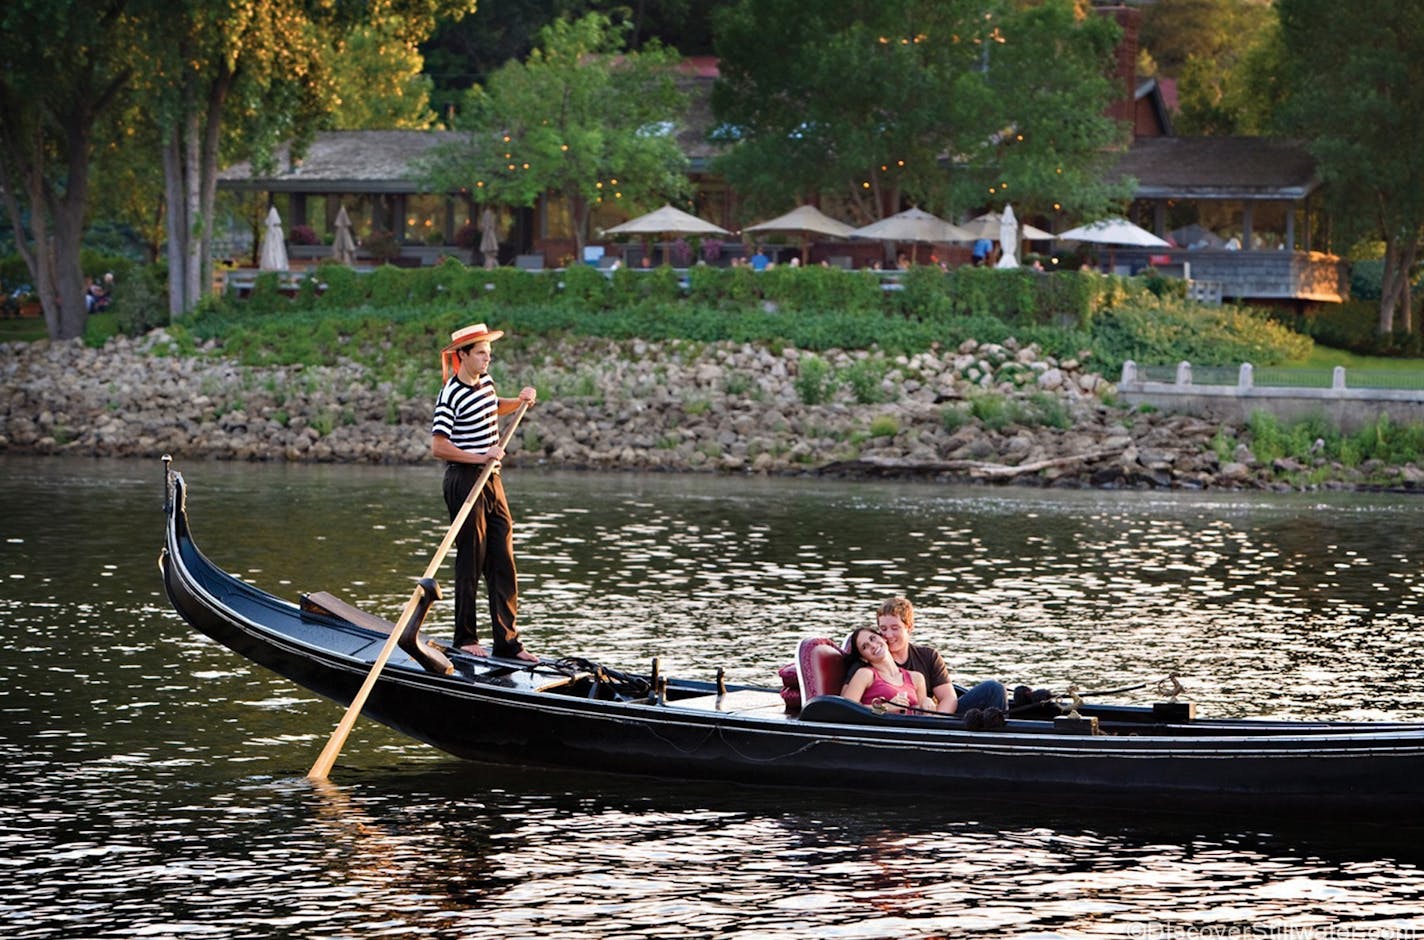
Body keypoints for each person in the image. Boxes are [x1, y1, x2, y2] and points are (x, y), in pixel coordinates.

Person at [432, 323, 539, 662]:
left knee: (503, 559)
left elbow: (493, 405)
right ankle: (465, 638)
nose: (486, 360)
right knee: (471, 559)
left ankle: (507, 642)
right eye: (480, 354)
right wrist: (480, 456)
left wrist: (519, 402)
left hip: (491, 478)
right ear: (463, 355)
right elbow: (439, 447)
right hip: (464, 478)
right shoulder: (450, 394)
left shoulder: (486, 383)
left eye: (488, 354)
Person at [875, 596, 1006, 715]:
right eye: (883, 629)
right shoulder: (874, 659)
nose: (888, 635)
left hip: (935, 716)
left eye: (895, 628)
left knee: (994, 689)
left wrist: (935, 721)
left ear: (909, 627)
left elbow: (948, 697)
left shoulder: (928, 656)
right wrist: (883, 708)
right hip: (898, 718)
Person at [840, 627, 927, 714]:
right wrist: (885, 708)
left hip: (910, 726)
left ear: (883, 638)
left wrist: (928, 707)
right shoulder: (865, 675)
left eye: (873, 638)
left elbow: (923, 718)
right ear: (863, 658)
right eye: (865, 647)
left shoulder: (917, 678)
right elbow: (847, 710)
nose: (873, 646)